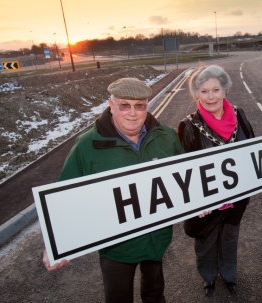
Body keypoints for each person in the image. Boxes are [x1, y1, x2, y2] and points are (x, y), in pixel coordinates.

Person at [42, 77, 183, 303]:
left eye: (140, 106)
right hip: (117, 248)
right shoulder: (87, 145)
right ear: (111, 105)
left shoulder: (166, 136)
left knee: (155, 294)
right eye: (124, 105)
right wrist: (56, 243)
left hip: (157, 237)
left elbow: (187, 178)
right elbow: (65, 196)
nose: (132, 113)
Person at [177, 65, 255, 297]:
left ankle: (229, 275)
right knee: (207, 240)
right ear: (196, 94)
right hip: (207, 202)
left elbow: (254, 148)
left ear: (225, 91)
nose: (210, 97)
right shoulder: (189, 126)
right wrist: (196, 203)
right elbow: (183, 170)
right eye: (204, 91)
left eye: (215, 90)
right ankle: (208, 277)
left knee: (230, 237)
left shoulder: (240, 115)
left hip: (237, 196)